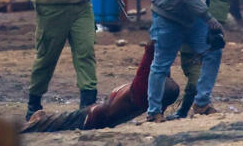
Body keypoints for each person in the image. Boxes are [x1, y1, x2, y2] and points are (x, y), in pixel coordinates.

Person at [21, 42, 179, 133]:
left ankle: (39, 121)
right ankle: (37, 121)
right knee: (58, 122)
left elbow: (155, 66)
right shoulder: (142, 95)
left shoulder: (143, 94)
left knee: (62, 121)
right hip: (96, 116)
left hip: (96, 115)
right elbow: (154, 66)